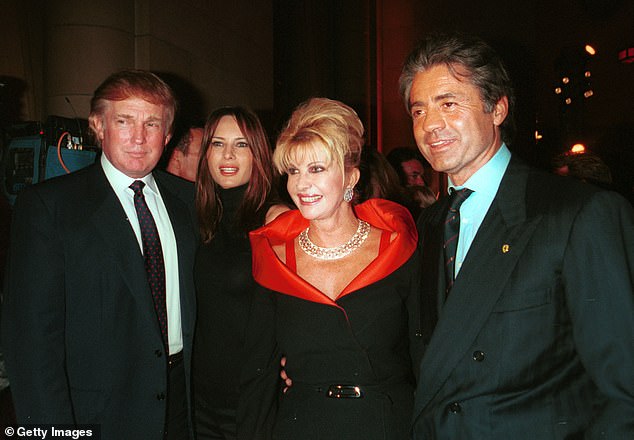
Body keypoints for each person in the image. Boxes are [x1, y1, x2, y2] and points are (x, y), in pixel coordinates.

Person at [399, 32, 634, 439]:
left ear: (498, 109)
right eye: (418, 111)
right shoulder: (428, 224)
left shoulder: (579, 213)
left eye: (448, 104)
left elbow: (624, 391)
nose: (430, 125)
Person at [1, 69, 198, 439]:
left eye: (152, 123)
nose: (139, 137)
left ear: (168, 134)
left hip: (181, 407)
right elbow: (31, 345)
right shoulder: (49, 207)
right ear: (98, 125)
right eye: (124, 121)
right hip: (97, 416)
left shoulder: (188, 202)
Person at [248, 97, 422, 440]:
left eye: (316, 169)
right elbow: (257, 375)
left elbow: (425, 356)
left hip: (386, 425)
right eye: (293, 171)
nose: (301, 184)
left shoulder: (398, 250)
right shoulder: (274, 258)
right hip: (301, 426)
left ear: (351, 177)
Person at [192, 106, 287, 440]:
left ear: (259, 154)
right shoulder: (199, 216)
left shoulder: (276, 220)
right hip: (198, 400)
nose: (228, 154)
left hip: (251, 400)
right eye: (217, 144)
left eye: (241, 144)